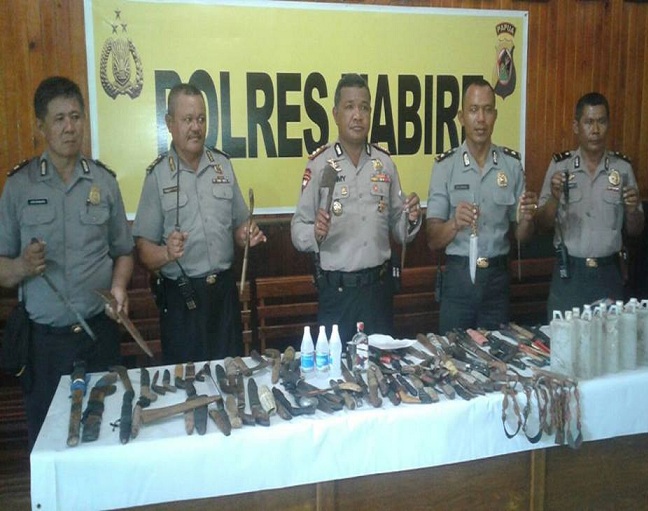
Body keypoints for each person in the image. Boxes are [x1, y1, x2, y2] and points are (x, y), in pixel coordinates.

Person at [0, 76, 134, 449]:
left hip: (98, 336)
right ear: (40, 126)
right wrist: (23, 266)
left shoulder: (104, 182)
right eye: (59, 119)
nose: (69, 127)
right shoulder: (19, 187)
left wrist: (119, 287)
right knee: (50, 446)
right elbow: (2, 267)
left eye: (75, 117)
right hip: (44, 346)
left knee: (106, 438)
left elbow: (124, 250)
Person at [132, 83, 265, 364]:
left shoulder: (223, 165)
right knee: (186, 381)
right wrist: (166, 253)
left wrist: (246, 234)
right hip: (182, 300)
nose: (196, 127)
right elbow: (143, 250)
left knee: (231, 374)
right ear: (170, 123)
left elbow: (240, 226)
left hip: (224, 296)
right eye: (188, 119)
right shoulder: (158, 176)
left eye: (201, 119)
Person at [291, 73, 421, 345]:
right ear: (336, 114)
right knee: (336, 367)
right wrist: (314, 233)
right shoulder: (319, 165)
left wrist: (410, 218)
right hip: (337, 294)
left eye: (364, 107)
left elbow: (399, 230)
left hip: (378, 293)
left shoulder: (384, 164)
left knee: (381, 363)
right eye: (349, 107)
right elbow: (297, 229)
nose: (357, 115)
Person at [426, 78, 537, 334]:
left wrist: (528, 219)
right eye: (474, 110)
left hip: (497, 279)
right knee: (453, 352)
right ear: (461, 117)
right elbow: (432, 239)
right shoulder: (445, 167)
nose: (481, 119)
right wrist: (455, 223)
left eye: (487, 110)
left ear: (495, 116)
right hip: (458, 279)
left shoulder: (511, 166)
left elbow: (522, 237)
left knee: (498, 352)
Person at [536, 92, 644, 319]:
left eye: (601, 122)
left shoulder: (622, 169)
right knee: (564, 339)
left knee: (609, 339)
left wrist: (633, 210)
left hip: (609, 273)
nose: (595, 130)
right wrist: (554, 198)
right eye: (589, 122)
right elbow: (543, 224)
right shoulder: (560, 166)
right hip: (570, 273)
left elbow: (635, 230)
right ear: (576, 126)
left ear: (608, 125)